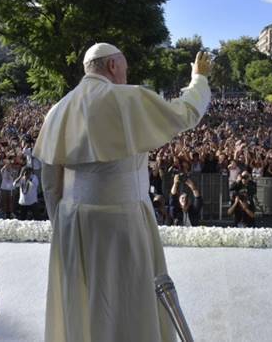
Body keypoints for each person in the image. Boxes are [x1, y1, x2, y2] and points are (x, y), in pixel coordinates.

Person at [33, 43, 212, 342]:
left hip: (70, 221)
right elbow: (185, 113)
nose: (126, 74)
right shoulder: (127, 98)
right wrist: (199, 79)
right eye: (125, 67)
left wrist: (63, 223)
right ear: (113, 66)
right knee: (127, 305)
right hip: (121, 220)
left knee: (83, 305)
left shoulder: (58, 108)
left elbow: (51, 182)